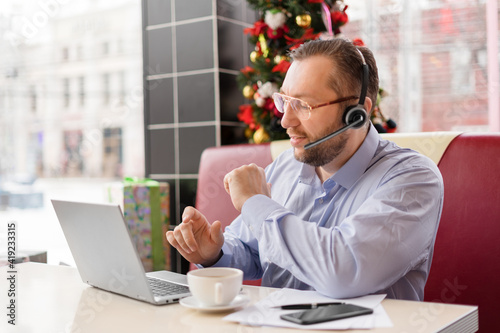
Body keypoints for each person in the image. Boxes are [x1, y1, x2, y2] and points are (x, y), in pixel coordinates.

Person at [166, 38, 443, 301]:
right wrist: (214, 253)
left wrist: (255, 202)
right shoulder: (288, 165)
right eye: (284, 101)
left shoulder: (413, 179)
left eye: (303, 105)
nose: (286, 120)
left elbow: (342, 273)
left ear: (357, 113)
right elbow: (254, 251)